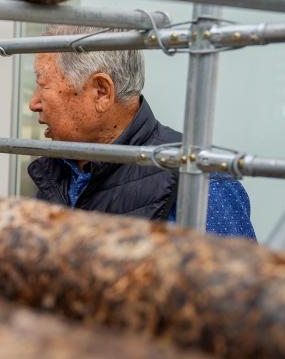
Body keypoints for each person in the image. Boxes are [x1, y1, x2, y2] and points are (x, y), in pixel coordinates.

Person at [27, 24, 255, 239]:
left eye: (43, 84)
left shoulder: (200, 180)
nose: (33, 103)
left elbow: (232, 268)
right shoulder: (57, 170)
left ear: (101, 92)